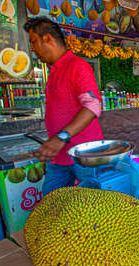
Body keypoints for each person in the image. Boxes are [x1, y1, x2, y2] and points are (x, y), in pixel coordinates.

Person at [24, 17, 104, 196]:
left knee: (92, 207)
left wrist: (61, 137)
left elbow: (93, 106)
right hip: (59, 158)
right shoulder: (54, 71)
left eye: (34, 41)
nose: (32, 48)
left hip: (84, 155)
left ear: (47, 39)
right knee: (50, 205)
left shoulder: (77, 66)